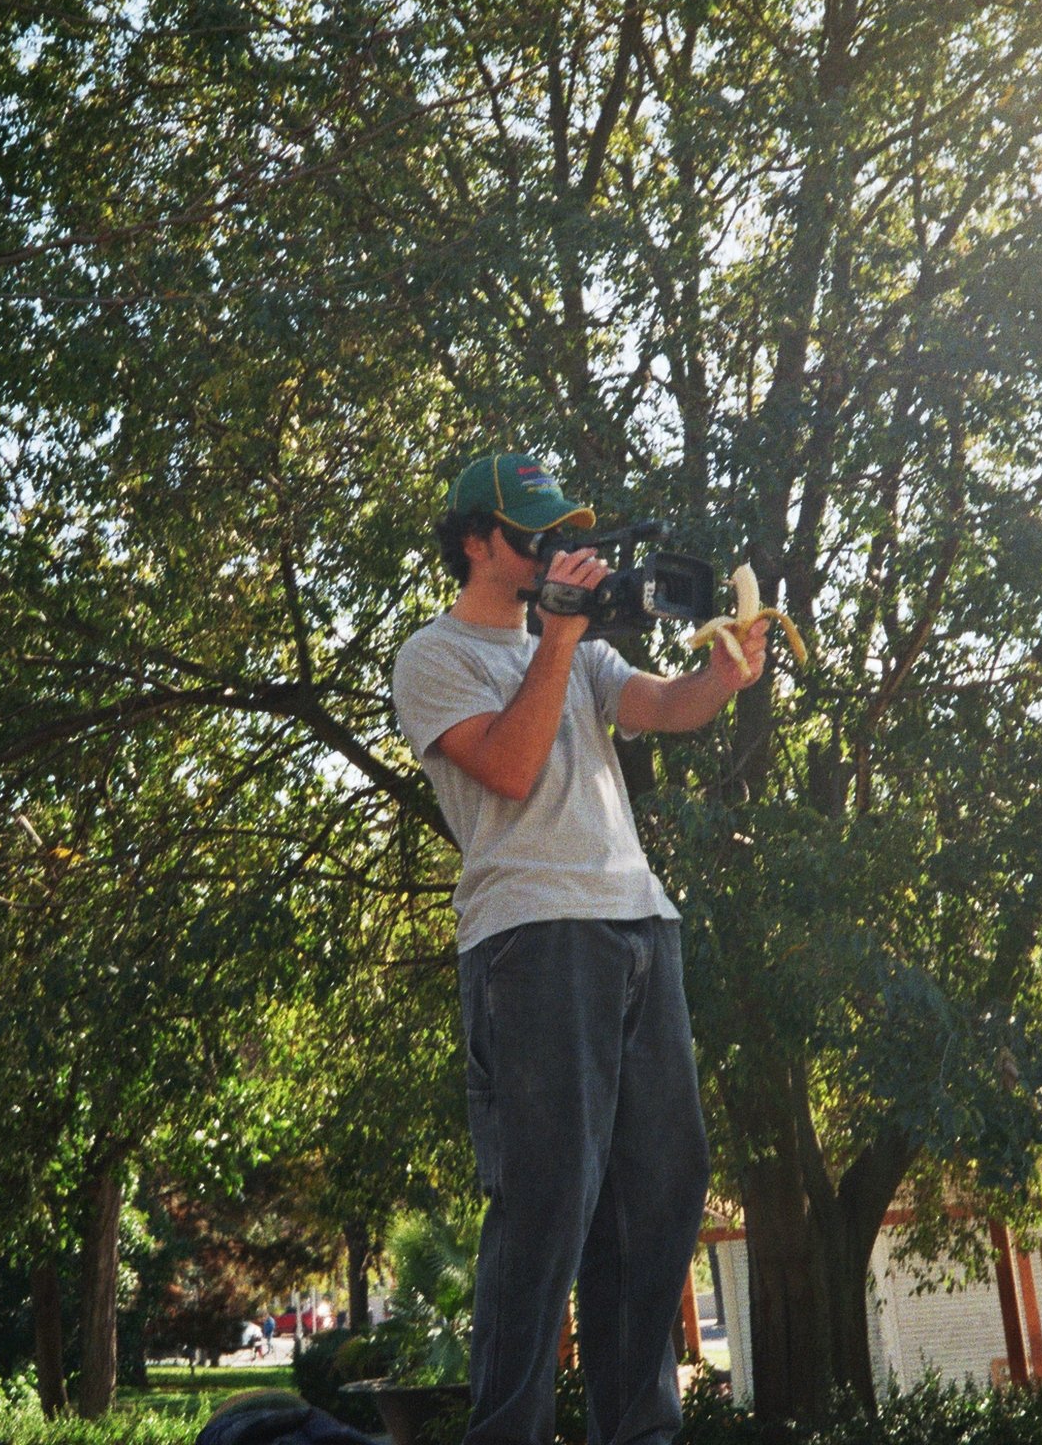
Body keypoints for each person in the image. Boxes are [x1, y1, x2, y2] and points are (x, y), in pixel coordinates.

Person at [391, 451, 769, 1445]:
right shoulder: (433, 657)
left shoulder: (584, 656)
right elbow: (511, 769)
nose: (559, 550)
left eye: (563, 533)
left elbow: (668, 707)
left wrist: (723, 674)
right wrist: (558, 632)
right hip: (531, 937)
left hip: (639, 923)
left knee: (660, 1194)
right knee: (549, 1200)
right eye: (536, 535)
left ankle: (637, 1432)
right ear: (478, 542)